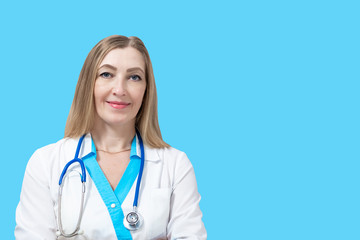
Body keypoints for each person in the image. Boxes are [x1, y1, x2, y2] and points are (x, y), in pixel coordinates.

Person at [15, 35, 206, 240]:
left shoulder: (175, 165)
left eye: (134, 77)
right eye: (106, 74)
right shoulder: (46, 163)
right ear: (89, 84)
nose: (120, 90)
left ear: (146, 90)